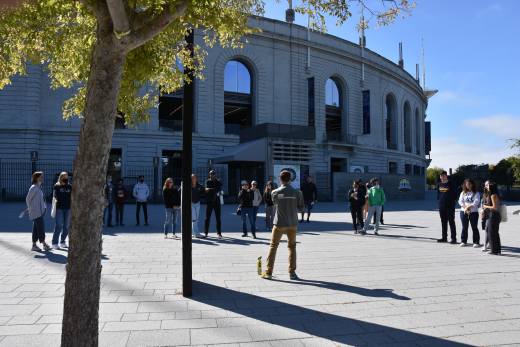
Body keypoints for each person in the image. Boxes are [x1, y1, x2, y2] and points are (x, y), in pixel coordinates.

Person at [261, 170, 304, 280]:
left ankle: (269, 272)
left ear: (280, 179)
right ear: (290, 179)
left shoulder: (275, 192)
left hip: (279, 223)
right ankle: (292, 273)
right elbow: (301, 207)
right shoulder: (297, 192)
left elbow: (275, 203)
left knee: (273, 246)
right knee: (292, 247)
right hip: (292, 223)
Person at [26, 171, 51, 251]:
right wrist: (30, 208)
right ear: (36, 178)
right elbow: (28, 199)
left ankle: (34, 245)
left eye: (42, 176)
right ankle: (44, 243)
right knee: (40, 228)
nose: (42, 178)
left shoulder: (38, 187)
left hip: (40, 212)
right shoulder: (33, 187)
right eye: (41, 177)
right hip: (36, 212)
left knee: (36, 228)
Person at [458, 179, 481, 247]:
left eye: (470, 184)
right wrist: (465, 207)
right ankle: (463, 241)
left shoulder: (476, 193)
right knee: (464, 227)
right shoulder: (463, 193)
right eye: (467, 184)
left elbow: (476, 202)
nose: (468, 185)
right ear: (465, 185)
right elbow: (460, 201)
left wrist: (469, 207)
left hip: (473, 212)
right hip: (463, 212)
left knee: (474, 227)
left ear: (472, 184)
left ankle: (476, 242)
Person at [51, 171, 72, 248]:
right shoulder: (56, 186)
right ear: (60, 177)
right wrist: (55, 198)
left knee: (66, 226)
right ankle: (54, 243)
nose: (66, 178)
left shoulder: (70, 186)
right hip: (59, 208)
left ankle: (63, 241)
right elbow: (54, 196)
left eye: (67, 176)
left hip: (68, 208)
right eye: (64, 176)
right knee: (58, 225)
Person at [437, 171, 458, 244]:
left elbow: (455, 194)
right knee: (443, 222)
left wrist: (452, 202)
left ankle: (453, 238)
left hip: (450, 206)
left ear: (446, 176)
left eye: (444, 176)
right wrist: (440, 203)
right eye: (441, 176)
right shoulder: (439, 184)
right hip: (441, 206)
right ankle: (444, 237)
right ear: (440, 177)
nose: (442, 177)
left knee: (451, 222)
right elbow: (439, 194)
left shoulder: (451, 184)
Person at [482, 180, 502, 255]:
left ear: (491, 187)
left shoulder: (493, 195)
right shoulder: (494, 194)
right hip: (495, 215)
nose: (486, 187)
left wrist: (485, 206)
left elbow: (495, 207)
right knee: (495, 233)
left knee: (491, 233)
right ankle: (498, 250)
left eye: (487, 185)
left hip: (493, 215)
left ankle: (494, 251)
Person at [204, 170, 223, 238]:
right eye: (211, 174)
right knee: (207, 218)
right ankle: (206, 232)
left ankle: (219, 233)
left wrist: (211, 189)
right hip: (209, 202)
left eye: (213, 174)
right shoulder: (207, 181)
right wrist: (214, 189)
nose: (212, 175)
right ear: (209, 174)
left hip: (217, 202)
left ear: (215, 174)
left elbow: (218, 189)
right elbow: (207, 190)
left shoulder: (218, 181)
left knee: (218, 218)